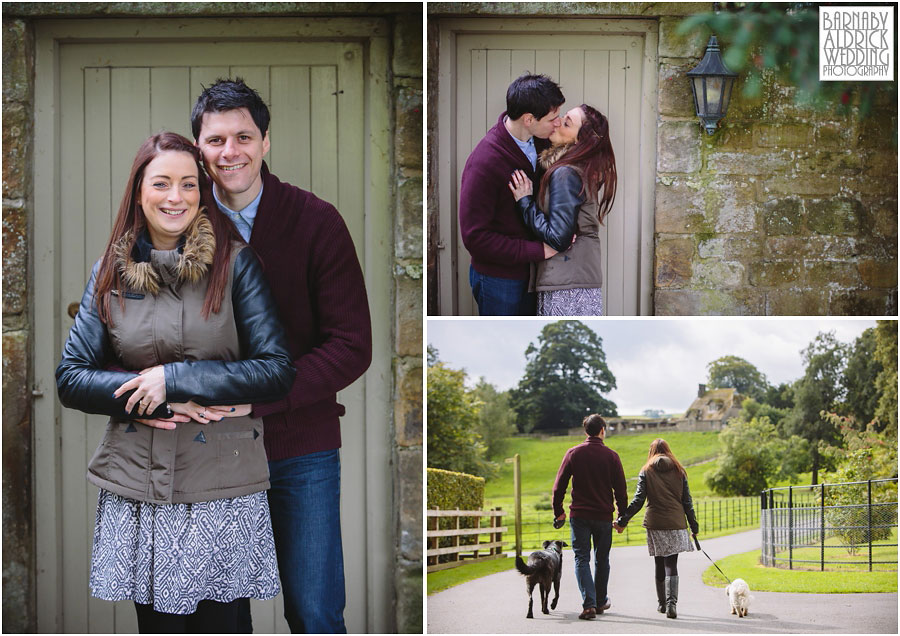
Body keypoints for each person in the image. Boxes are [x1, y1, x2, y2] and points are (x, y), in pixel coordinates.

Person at [55, 132, 297, 632]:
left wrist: (176, 379)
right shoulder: (109, 275)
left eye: (189, 184)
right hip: (139, 481)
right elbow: (72, 378)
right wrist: (154, 402)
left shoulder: (236, 266)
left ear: (202, 193)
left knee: (224, 625)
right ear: (139, 191)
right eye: (161, 183)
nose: (176, 197)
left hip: (222, 483)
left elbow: (276, 369)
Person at [190, 78, 373, 633]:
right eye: (216, 140)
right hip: (208, 449)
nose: (230, 152)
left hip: (302, 448)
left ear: (266, 141)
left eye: (243, 136)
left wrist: (260, 400)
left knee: (315, 611)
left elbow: (350, 345)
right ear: (198, 146)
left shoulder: (317, 221)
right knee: (222, 616)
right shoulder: (182, 225)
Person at [458, 73, 565, 315]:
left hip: (533, 273)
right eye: (553, 118)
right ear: (528, 119)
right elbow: (475, 238)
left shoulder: (542, 143)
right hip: (499, 280)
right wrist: (537, 251)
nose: (558, 123)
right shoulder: (485, 162)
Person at [508, 104, 617, 316]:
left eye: (566, 123)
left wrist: (524, 201)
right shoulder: (579, 168)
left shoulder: (565, 173)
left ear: (580, 140)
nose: (557, 122)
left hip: (567, 284)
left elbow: (559, 238)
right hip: (573, 279)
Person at [551, 414, 628, 620]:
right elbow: (621, 491)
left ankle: (589, 604)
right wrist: (622, 518)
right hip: (603, 516)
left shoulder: (573, 453)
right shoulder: (612, 456)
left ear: (586, 431)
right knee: (602, 559)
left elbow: (559, 486)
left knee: (582, 558)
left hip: (580, 515)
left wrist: (558, 511)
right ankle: (601, 601)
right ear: (602, 430)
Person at [614, 438, 700, 619]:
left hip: (655, 523)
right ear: (668, 451)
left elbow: (638, 500)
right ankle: (672, 605)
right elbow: (687, 502)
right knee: (672, 564)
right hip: (676, 523)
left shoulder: (646, 471)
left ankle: (661, 604)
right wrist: (694, 525)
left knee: (659, 562)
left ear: (651, 452)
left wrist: (622, 520)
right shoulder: (679, 471)